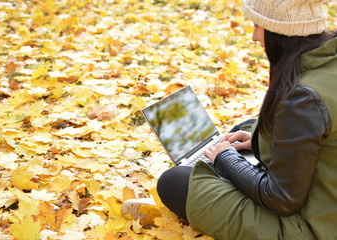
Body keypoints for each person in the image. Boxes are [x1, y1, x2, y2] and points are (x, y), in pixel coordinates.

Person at [122, 0, 337, 239]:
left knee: (173, 181)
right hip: (325, 201)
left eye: (258, 26)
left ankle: (194, 197)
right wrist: (258, 137)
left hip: (311, 228)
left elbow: (281, 200)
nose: (254, 36)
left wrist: (227, 160)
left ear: (281, 33)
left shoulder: (302, 99)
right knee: (245, 129)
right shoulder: (328, 63)